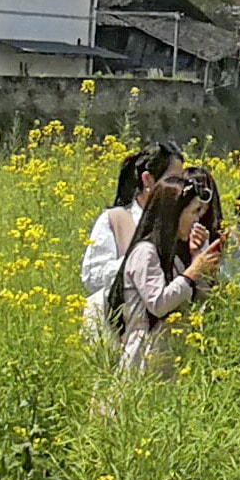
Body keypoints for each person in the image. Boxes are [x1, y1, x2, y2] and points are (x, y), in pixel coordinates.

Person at [111, 172, 225, 375]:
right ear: (174, 214)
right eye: (194, 212)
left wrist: (198, 256)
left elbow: (202, 302)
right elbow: (159, 304)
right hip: (143, 361)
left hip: (172, 359)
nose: (197, 220)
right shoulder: (145, 252)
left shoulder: (175, 256)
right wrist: (193, 271)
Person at [80, 142, 181, 345]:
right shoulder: (115, 219)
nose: (179, 189)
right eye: (172, 180)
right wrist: (136, 263)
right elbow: (92, 278)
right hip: (119, 332)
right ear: (147, 180)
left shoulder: (181, 223)